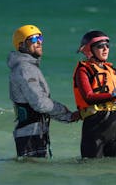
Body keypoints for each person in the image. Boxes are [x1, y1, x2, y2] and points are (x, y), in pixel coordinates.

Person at [7, 24, 76, 158]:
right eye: (33, 39)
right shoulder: (25, 68)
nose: (39, 42)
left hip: (34, 133)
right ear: (21, 45)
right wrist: (66, 113)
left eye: (40, 38)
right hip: (30, 136)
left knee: (36, 175)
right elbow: (40, 103)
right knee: (33, 176)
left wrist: (68, 117)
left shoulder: (28, 67)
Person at [73, 30, 116, 158]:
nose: (105, 49)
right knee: (92, 169)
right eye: (100, 46)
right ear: (89, 50)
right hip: (95, 127)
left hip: (114, 128)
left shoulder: (110, 69)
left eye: (107, 46)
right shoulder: (83, 70)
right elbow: (88, 97)